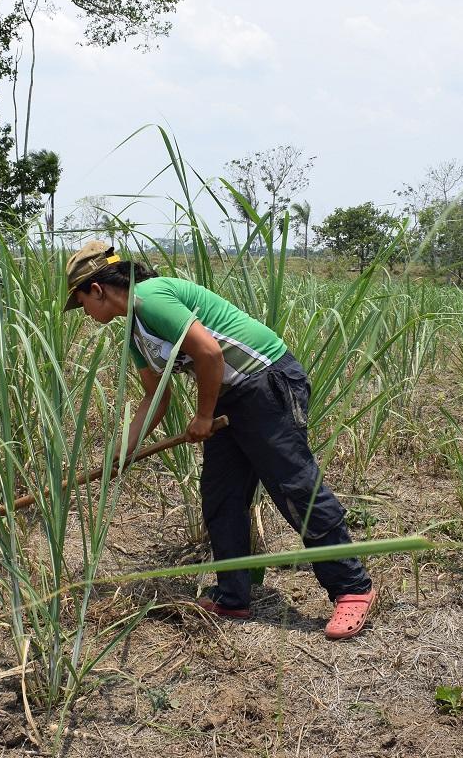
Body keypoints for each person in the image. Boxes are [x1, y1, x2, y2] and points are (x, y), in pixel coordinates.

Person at [63, 241, 375, 639]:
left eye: (81, 304)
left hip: (265, 382)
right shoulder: (133, 333)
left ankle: (352, 588)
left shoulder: (150, 297)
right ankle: (233, 596)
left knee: (295, 488)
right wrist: (120, 453)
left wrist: (203, 416)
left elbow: (210, 353)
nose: (85, 315)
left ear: (96, 289)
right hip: (227, 397)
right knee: (221, 496)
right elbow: (155, 398)